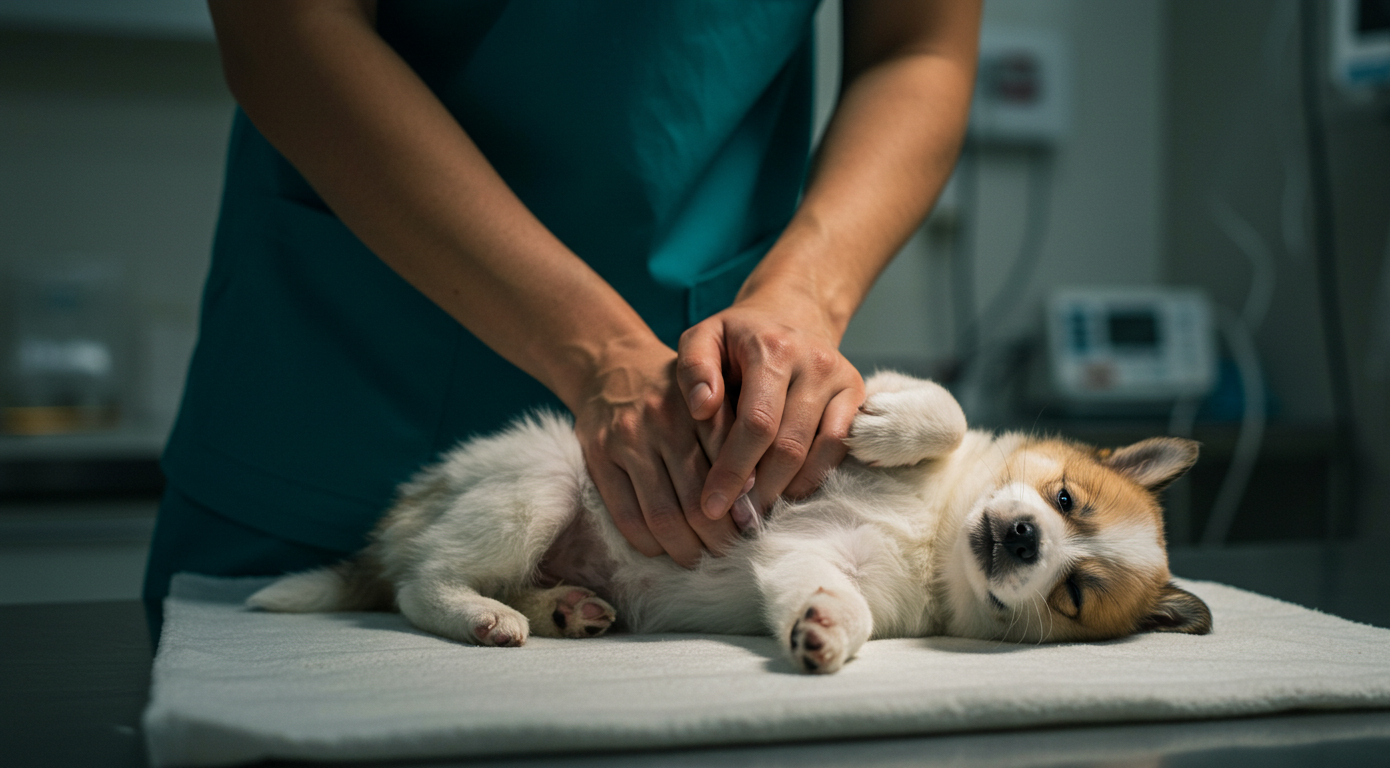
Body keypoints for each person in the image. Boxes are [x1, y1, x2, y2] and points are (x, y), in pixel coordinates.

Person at [142, 0, 979, 639]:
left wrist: (804, 297)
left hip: (693, 440)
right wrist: (599, 351)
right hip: (343, 390)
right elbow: (282, 27)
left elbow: (920, 47)